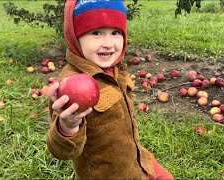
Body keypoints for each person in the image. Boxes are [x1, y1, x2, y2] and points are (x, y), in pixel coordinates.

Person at [46, 0, 174, 179]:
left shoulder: (114, 68)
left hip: (134, 159)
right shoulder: (70, 86)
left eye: (115, 33)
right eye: (96, 33)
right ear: (75, 37)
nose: (108, 43)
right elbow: (61, 152)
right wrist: (67, 126)